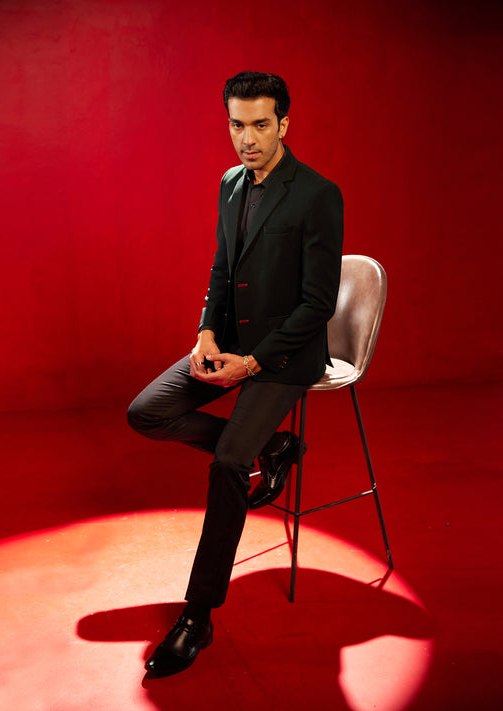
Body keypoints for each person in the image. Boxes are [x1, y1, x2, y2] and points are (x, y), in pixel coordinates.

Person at [127, 71, 343, 681]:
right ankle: (274, 446)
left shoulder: (317, 194)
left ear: (284, 124)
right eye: (236, 125)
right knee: (146, 412)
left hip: (286, 353)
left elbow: (318, 304)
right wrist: (205, 333)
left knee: (227, 462)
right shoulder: (229, 184)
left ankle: (198, 615)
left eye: (260, 125)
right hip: (230, 342)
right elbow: (222, 269)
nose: (247, 138)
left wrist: (253, 361)